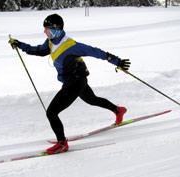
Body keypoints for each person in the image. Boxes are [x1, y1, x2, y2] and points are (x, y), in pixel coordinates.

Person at [9, 14, 131, 155]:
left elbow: (95, 51)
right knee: (92, 99)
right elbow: (39, 51)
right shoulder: (50, 42)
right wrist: (20, 44)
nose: (45, 32)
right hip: (76, 80)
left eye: (47, 29)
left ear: (56, 28)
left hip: (75, 82)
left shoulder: (70, 45)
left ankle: (62, 143)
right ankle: (118, 110)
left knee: (52, 112)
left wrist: (116, 61)